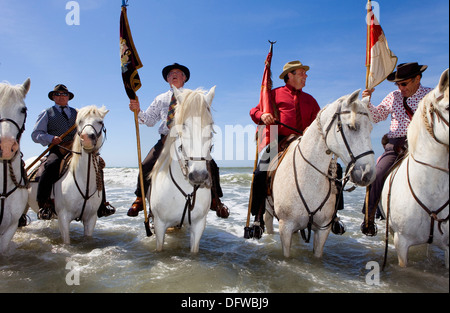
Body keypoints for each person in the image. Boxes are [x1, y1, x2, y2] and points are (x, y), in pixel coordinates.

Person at [127, 63, 228, 218]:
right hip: (166, 140)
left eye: (177, 72)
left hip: (187, 139)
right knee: (145, 164)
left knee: (212, 165)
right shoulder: (160, 99)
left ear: (184, 77)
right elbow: (149, 120)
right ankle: (140, 198)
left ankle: (216, 200)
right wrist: (137, 110)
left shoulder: (194, 96)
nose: (173, 75)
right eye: (170, 74)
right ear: (167, 79)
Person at [248, 60, 321, 235]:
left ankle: (333, 217)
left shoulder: (310, 100)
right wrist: (263, 115)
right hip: (277, 139)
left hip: (304, 142)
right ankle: (257, 217)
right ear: (290, 75)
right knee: (260, 173)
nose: (306, 76)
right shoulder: (273, 94)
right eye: (302, 73)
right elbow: (253, 111)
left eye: (305, 73)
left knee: (333, 169)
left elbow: (319, 122)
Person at [361, 62, 432, 236]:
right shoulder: (393, 96)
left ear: (417, 79)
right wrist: (367, 101)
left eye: (404, 83)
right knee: (376, 174)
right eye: (398, 84)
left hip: (425, 144)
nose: (400, 88)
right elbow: (377, 117)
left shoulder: (430, 95)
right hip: (397, 144)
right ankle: (369, 218)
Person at [31, 84, 114, 220]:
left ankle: (102, 204)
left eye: (64, 94)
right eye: (58, 94)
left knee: (98, 166)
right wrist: (51, 138)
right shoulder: (47, 113)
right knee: (51, 164)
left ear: (68, 97)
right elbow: (36, 134)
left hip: (78, 148)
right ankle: (44, 203)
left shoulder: (77, 113)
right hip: (58, 148)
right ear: (53, 97)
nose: (61, 96)